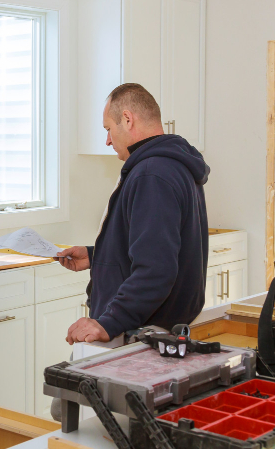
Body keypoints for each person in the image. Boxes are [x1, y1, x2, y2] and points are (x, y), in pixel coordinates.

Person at [56, 83, 209, 344]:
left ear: (127, 119)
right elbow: (158, 248)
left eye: (108, 129)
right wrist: (97, 255)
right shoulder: (172, 165)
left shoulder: (152, 174)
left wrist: (108, 322)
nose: (107, 140)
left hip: (141, 334)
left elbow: (156, 270)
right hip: (159, 329)